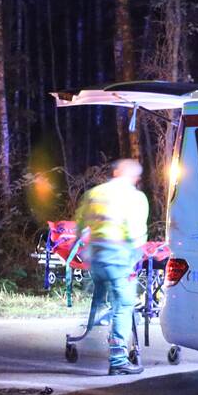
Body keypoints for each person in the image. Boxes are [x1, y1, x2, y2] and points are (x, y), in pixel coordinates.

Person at [74, 159, 149, 375]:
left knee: (100, 299)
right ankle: (118, 360)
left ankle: (90, 336)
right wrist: (137, 256)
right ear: (134, 178)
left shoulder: (94, 193)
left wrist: (83, 251)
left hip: (96, 258)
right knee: (124, 306)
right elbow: (135, 233)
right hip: (119, 258)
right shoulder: (135, 197)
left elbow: (80, 224)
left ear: (115, 173)